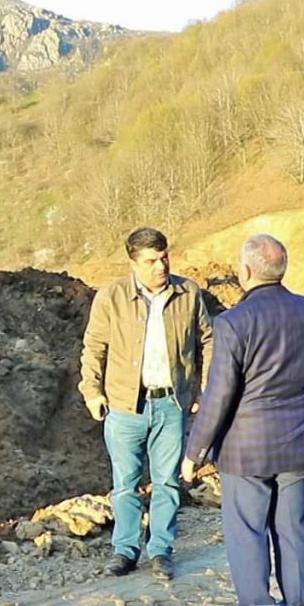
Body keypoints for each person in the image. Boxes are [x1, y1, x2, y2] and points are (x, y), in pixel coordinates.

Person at [182, 234, 304, 606]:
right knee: (294, 528)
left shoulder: (233, 322)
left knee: (247, 531)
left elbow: (219, 395)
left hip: (245, 450)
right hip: (298, 442)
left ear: (246, 271)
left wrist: (195, 451)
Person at [80, 227, 213, 581]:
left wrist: (204, 389)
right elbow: (94, 347)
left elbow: (208, 340)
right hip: (125, 406)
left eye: (165, 257)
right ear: (134, 262)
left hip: (171, 403)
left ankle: (160, 551)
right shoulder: (112, 296)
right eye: (152, 260)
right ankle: (124, 550)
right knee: (125, 484)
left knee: (167, 482)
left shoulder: (188, 293)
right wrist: (92, 391)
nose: (161, 266)